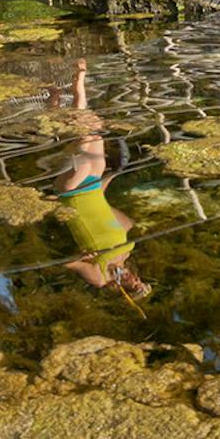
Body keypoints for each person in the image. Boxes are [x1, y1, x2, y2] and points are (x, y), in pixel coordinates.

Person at [54, 60, 150, 299]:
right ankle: (58, 94)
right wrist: (112, 176)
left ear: (123, 291)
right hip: (94, 185)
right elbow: (108, 210)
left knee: (84, 135)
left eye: (132, 287)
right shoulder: (127, 249)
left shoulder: (100, 277)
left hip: (72, 193)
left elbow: (66, 263)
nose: (134, 280)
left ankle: (74, 86)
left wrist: (82, 258)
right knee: (93, 128)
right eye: (139, 281)